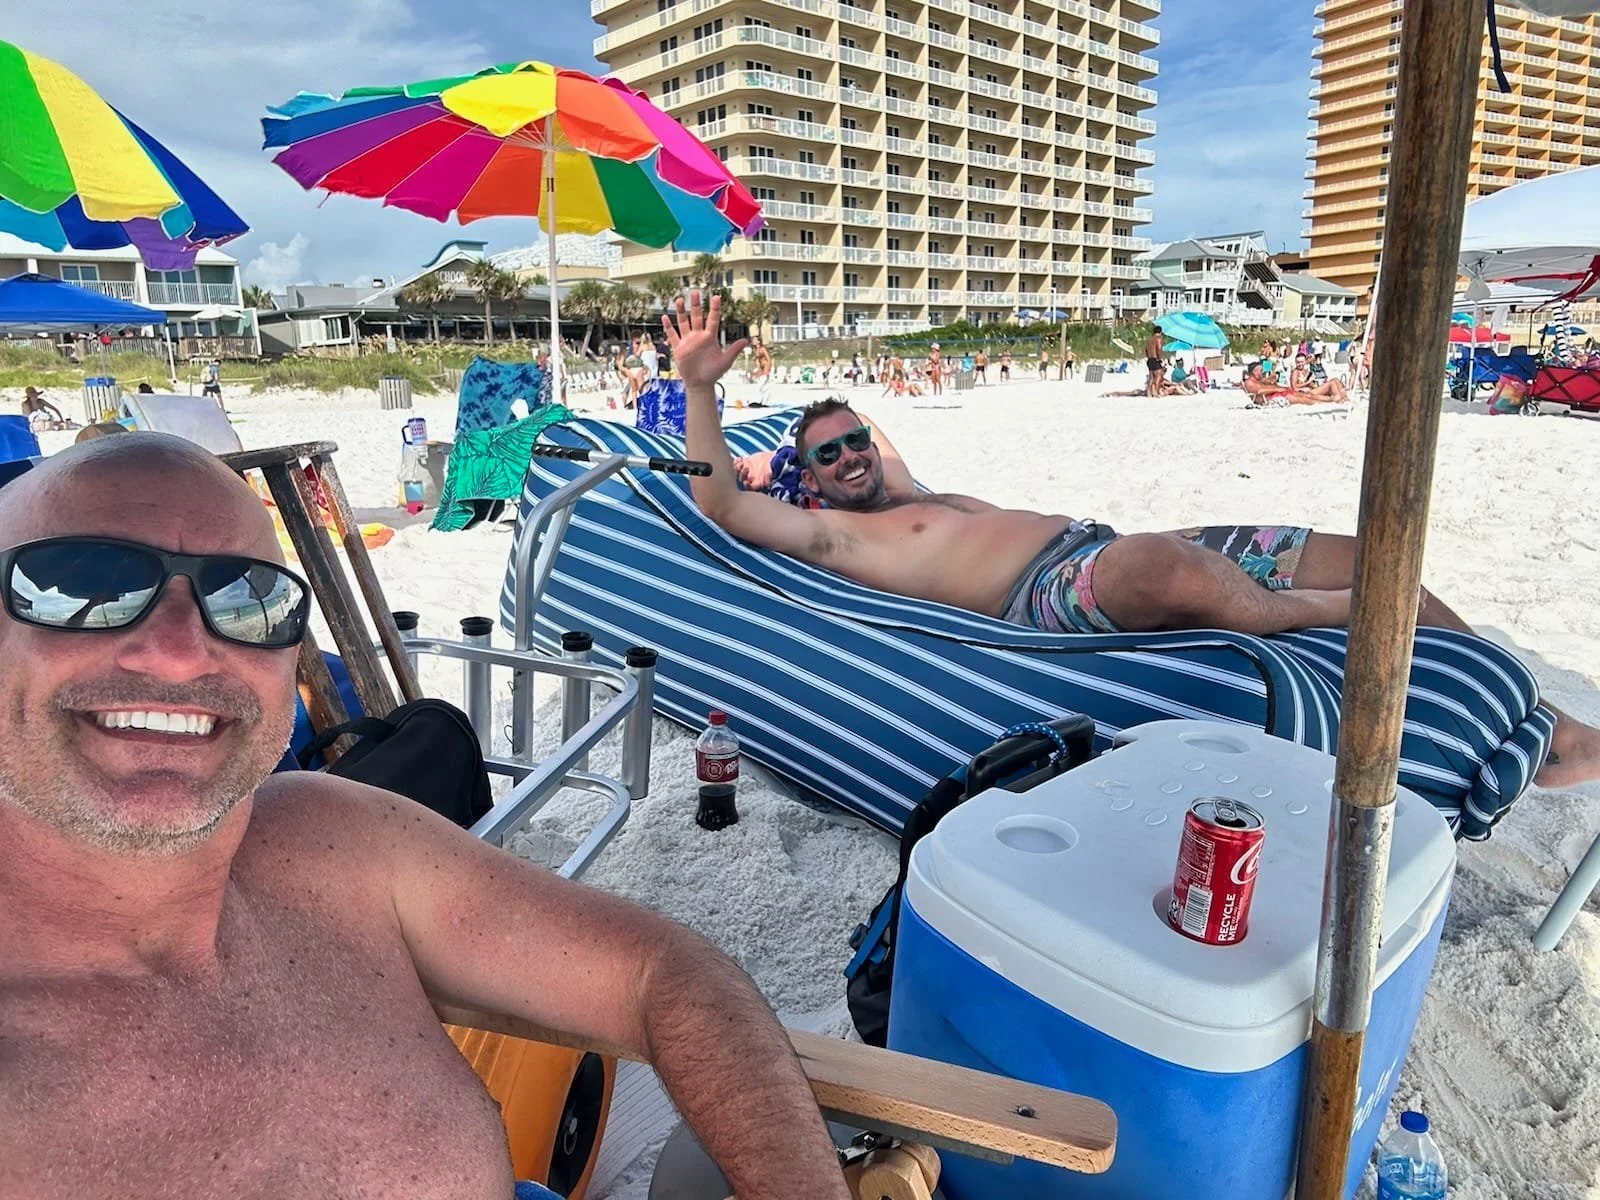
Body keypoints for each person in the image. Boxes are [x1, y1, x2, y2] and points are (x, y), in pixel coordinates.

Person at [0, 433, 854, 1199]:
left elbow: (662, 972)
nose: (185, 651)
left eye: (248, 600)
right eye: (84, 585)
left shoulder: (330, 842)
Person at [663, 290, 1600, 789]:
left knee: (1361, 549)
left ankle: (1526, 707)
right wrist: (704, 394)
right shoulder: (840, 538)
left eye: (856, 438)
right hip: (1052, 593)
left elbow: (857, 433)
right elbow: (725, 510)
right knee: (1161, 564)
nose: (850, 455)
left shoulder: (911, 484)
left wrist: (797, 430)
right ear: (812, 482)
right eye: (825, 456)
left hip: (1097, 541)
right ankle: (1323, 615)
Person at [1144, 329, 1166, 397]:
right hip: (1155, 359)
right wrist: (1160, 358)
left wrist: (1149, 357)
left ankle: (1149, 393)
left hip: (1150, 359)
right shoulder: (1158, 339)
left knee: (1151, 377)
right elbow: (1159, 348)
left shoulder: (1149, 340)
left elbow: (1146, 350)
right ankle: (1155, 392)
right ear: (1160, 332)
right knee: (1158, 376)